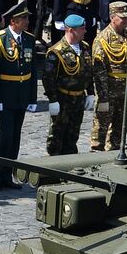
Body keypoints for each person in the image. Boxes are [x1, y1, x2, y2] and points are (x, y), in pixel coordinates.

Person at [0, 2, 38, 190]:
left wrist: (32, 99)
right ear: (14, 21)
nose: (27, 21)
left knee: (15, 138)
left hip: (21, 97)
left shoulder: (29, 40)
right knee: (5, 137)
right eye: (24, 18)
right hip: (5, 97)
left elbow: (32, 73)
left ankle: (8, 174)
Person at [90, 1, 127, 153]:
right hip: (109, 92)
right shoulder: (102, 39)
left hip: (126, 91)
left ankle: (116, 154)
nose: (125, 20)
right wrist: (103, 97)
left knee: (120, 129)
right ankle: (96, 159)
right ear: (112, 18)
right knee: (101, 129)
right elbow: (99, 72)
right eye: (121, 17)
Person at [43, 15, 92, 158]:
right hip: (63, 99)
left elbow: (88, 72)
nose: (85, 31)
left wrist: (90, 92)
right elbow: (48, 78)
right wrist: (52, 100)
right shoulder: (56, 51)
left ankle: (70, 169)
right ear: (71, 30)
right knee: (56, 138)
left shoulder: (85, 47)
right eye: (82, 29)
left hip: (78, 99)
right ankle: (54, 170)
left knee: (73, 136)